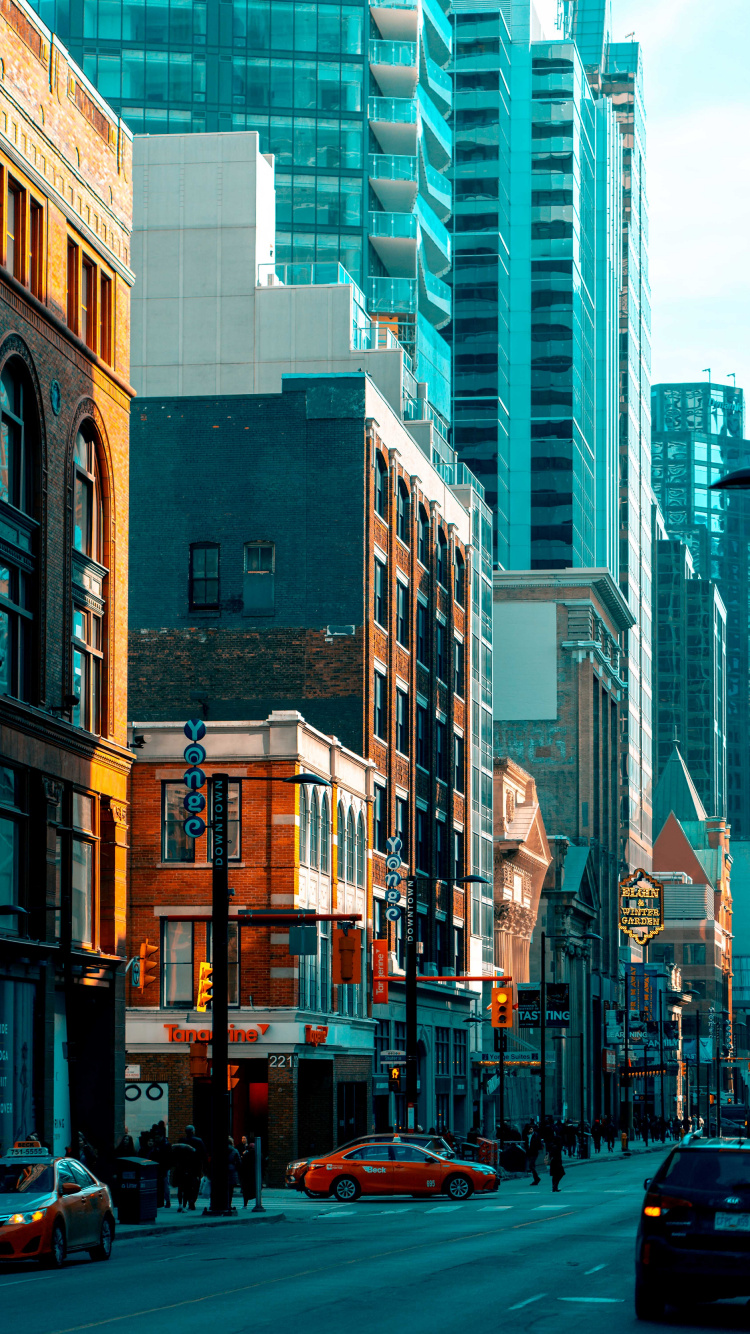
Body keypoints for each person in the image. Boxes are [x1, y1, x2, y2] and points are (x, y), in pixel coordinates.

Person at [171, 1136, 199, 1212]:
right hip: (187, 1172)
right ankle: (184, 1205)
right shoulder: (190, 1151)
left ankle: (180, 1205)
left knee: (180, 1189)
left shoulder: (176, 1150)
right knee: (187, 1189)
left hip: (179, 1171)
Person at [523, 1121, 542, 1186]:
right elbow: (526, 1143)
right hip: (529, 1152)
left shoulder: (535, 1135)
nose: (530, 1130)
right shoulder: (527, 1136)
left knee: (531, 1165)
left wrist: (538, 1149)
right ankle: (536, 1178)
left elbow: (538, 1143)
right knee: (531, 1166)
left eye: (531, 1129)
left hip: (534, 1152)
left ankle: (536, 1178)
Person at [239, 1139, 256, 1208]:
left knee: (246, 1191)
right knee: (255, 1190)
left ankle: (245, 1204)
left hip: (247, 1175)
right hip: (254, 1174)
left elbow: (242, 1165)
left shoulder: (246, 1155)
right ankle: (257, 1203)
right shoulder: (258, 1155)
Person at [227, 1136, 241, 1210]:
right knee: (230, 1189)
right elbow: (239, 1162)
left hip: (223, 1171)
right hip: (232, 1170)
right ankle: (229, 1204)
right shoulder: (234, 1151)